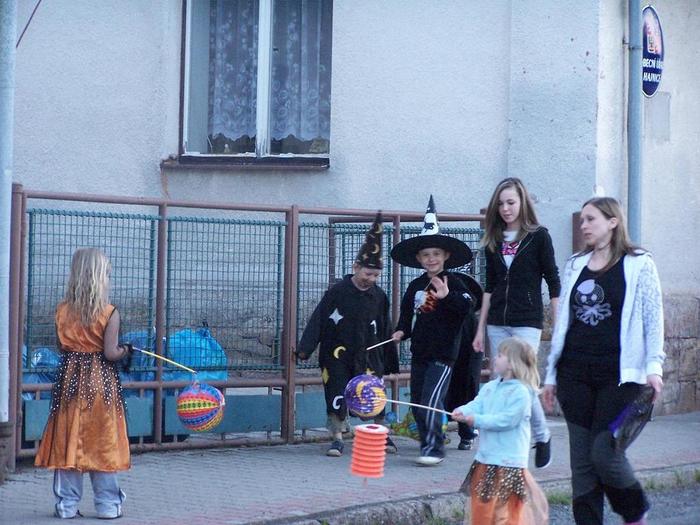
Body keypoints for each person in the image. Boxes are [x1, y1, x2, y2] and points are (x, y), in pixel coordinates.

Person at [542, 197, 665, 525]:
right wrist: (551, 375)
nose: (584, 226)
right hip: (574, 375)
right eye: (582, 220)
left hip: (620, 377)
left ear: (613, 222)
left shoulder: (639, 263)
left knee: (605, 454)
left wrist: (654, 367)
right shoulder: (575, 264)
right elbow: (563, 322)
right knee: (582, 467)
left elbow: (653, 318)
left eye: (591, 219)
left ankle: (635, 511)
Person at [35, 248, 132, 519]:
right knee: (103, 441)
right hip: (101, 385)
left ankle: (66, 506)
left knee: (68, 438)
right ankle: (108, 505)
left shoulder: (62, 310)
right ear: (101, 278)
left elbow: (61, 346)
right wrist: (126, 350)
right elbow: (110, 353)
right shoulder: (109, 312)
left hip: (69, 383)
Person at [472, 177, 560, 468]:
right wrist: (480, 329)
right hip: (497, 320)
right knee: (500, 381)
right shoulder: (494, 240)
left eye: (511, 202)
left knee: (523, 382)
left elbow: (553, 280)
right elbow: (489, 286)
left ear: (522, 202)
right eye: (500, 204)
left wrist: (557, 322)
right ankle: (497, 448)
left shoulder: (539, 236)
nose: (506, 209)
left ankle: (541, 436)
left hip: (526, 320)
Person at [297, 212, 399, 457]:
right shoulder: (337, 292)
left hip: (369, 354)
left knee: (374, 394)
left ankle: (381, 435)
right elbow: (319, 318)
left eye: (375, 275)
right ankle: (337, 438)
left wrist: (389, 359)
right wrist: (305, 348)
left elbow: (385, 327)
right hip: (337, 355)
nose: (370, 279)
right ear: (355, 267)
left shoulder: (379, 296)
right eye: (367, 274)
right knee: (336, 393)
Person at [390, 196, 473, 466]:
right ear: (418, 258)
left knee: (431, 400)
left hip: (443, 355)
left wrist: (447, 296)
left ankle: (434, 448)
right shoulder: (415, 286)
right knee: (418, 401)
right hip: (420, 354)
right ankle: (427, 442)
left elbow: (466, 307)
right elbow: (407, 316)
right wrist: (401, 331)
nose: (431, 259)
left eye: (436, 254)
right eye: (426, 255)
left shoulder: (455, 282)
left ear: (446, 256)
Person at [452, 337, 548, 525]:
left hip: (509, 463)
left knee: (506, 513)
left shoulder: (521, 392)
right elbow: (477, 404)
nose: (495, 358)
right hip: (486, 459)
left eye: (500, 355)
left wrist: (477, 420)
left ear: (512, 363)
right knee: (482, 509)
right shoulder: (490, 387)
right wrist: (463, 411)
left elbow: (507, 420)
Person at [444, 272, 484, 451]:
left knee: (465, 389)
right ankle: (441, 431)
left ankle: (466, 432)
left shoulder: (468, 316)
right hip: (447, 352)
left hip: (466, 353)